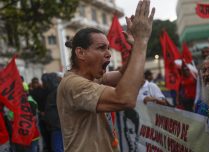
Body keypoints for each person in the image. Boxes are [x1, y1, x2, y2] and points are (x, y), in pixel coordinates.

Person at [56, 1, 155, 152]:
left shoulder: (92, 78)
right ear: (80, 53)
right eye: (101, 48)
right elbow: (125, 99)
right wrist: (142, 41)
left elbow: (123, 75)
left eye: (108, 48)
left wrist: (135, 47)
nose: (109, 53)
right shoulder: (73, 84)